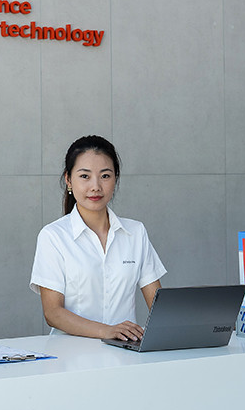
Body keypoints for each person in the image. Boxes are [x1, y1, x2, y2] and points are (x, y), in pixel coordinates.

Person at [29, 135, 165, 342]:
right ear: (68, 180)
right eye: (85, 176)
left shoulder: (136, 232)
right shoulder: (53, 236)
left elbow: (159, 305)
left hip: (125, 353)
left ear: (115, 179)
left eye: (105, 176)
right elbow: (53, 313)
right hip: (71, 353)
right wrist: (106, 331)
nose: (95, 186)